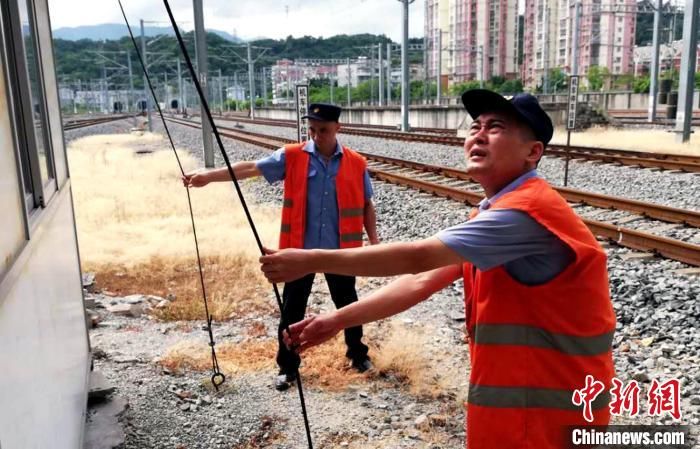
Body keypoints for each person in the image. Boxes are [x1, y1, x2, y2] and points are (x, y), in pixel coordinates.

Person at [260, 90, 616, 449]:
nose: (477, 134)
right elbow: (420, 281)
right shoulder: (498, 211)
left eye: (495, 127)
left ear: (532, 152)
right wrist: (335, 321)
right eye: (475, 126)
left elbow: (417, 257)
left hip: (548, 416)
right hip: (526, 406)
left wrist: (309, 259)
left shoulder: (524, 214)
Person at [183, 103, 379, 391]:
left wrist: (374, 242)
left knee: (349, 304)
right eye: (312, 130)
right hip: (298, 251)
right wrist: (209, 176)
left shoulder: (356, 163)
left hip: (340, 250)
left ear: (338, 128)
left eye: (323, 130)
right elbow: (251, 168)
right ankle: (287, 367)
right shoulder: (292, 157)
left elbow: (366, 205)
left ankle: (357, 354)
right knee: (292, 311)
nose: (316, 135)